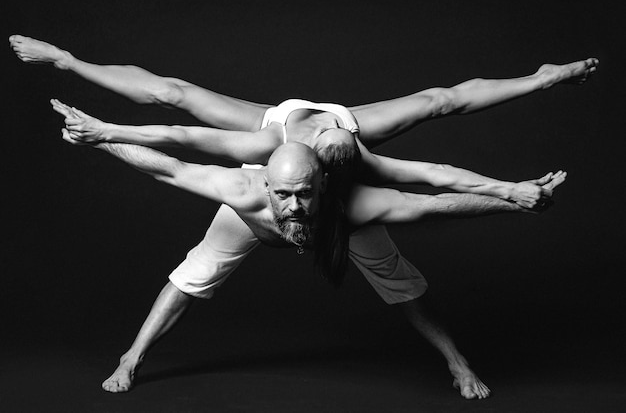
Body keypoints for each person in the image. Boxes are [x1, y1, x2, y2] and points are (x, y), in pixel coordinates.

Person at [57, 104, 565, 398]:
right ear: (265, 185)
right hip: (250, 227)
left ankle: (456, 361)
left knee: (400, 280)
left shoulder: (355, 206)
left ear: (324, 184)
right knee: (194, 273)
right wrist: (99, 137)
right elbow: (167, 163)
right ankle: (131, 357)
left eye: (305, 194)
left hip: (339, 231)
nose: (295, 206)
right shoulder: (244, 193)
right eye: (284, 195)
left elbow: (434, 204)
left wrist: (514, 202)